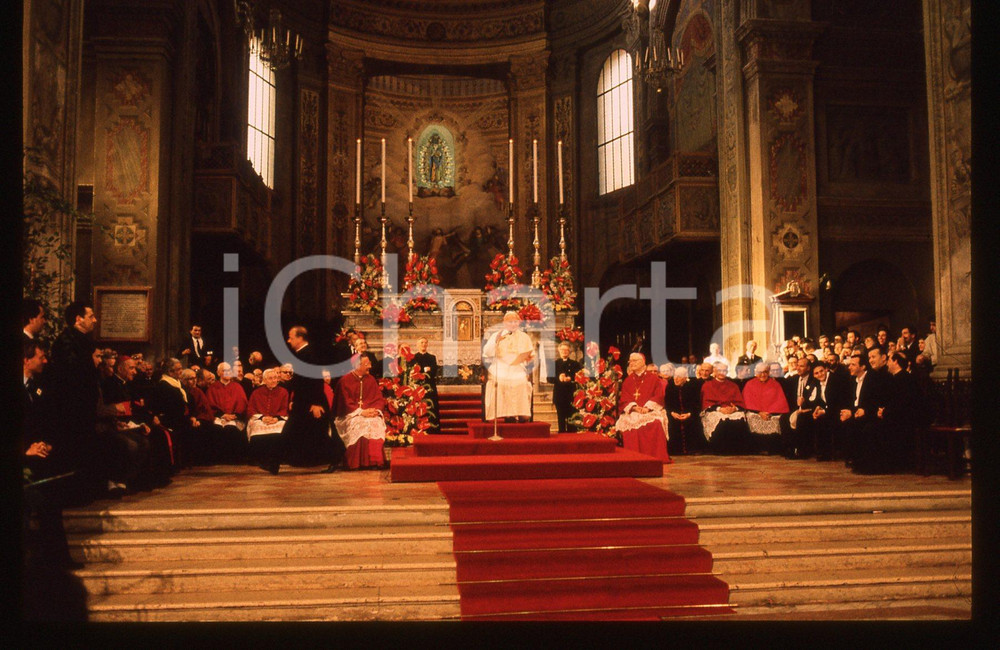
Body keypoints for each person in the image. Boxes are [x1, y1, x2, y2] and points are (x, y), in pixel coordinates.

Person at [263, 326, 339, 474]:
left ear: (300, 338)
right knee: (305, 433)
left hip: (311, 403)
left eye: (291, 337)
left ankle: (274, 463)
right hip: (303, 402)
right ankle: (274, 463)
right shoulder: (301, 354)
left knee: (301, 432)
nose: (288, 340)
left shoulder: (309, 354)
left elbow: (316, 380)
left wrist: (316, 403)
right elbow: (301, 382)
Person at [333, 354, 388, 469]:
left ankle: (375, 461)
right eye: (367, 364)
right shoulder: (344, 381)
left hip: (369, 413)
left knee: (375, 423)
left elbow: (378, 399)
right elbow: (344, 403)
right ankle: (356, 462)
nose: (370, 366)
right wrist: (361, 412)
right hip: (350, 415)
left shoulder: (371, 379)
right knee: (360, 423)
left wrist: (376, 411)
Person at [615, 353, 671, 462]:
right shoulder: (628, 380)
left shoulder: (654, 378)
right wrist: (635, 408)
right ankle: (633, 457)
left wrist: (647, 408)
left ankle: (656, 457)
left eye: (634, 361)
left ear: (642, 362)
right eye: (630, 361)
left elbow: (659, 396)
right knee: (630, 425)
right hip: (633, 411)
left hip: (650, 411)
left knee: (655, 423)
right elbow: (624, 398)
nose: (631, 363)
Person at [482, 311, 535, 422]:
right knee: (501, 383)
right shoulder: (497, 335)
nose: (513, 324)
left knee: (521, 383)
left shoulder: (524, 336)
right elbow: (487, 352)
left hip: (517, 366)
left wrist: (528, 357)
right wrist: (495, 342)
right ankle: (507, 415)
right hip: (501, 366)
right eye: (510, 322)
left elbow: (530, 354)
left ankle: (521, 414)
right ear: (505, 323)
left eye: (515, 322)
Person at [700, 362, 751, 454]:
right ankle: (721, 450)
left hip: (731, 409)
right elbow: (707, 403)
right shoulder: (707, 385)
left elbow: (739, 402)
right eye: (719, 370)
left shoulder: (733, 385)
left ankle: (737, 449)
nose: (722, 373)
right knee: (721, 420)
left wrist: (734, 409)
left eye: (724, 370)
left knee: (739, 418)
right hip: (715, 410)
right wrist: (720, 409)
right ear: (714, 371)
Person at [742, 362, 790, 454]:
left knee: (776, 420)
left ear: (768, 372)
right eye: (760, 372)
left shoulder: (775, 384)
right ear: (756, 373)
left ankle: (772, 449)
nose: (763, 374)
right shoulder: (749, 384)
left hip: (772, 413)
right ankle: (758, 448)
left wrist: (770, 412)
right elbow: (748, 401)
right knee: (752, 418)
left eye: (765, 372)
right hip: (755, 412)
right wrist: (759, 412)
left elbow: (779, 401)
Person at [247, 368, 289, 466]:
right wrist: (262, 418)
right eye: (270, 378)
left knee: (281, 427)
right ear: (264, 380)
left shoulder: (283, 392)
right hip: (261, 418)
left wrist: (276, 418)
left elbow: (285, 408)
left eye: (275, 378)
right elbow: (251, 409)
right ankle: (259, 458)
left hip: (277, 419)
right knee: (256, 426)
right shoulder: (256, 393)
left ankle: (278, 458)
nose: (274, 380)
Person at [664, 366, 704, 455]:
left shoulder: (692, 387)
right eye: (675, 376)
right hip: (674, 415)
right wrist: (672, 413)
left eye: (679, 376)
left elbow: (697, 404)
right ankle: (675, 450)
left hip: (690, 414)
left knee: (693, 424)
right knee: (672, 425)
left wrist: (689, 414)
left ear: (685, 378)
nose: (676, 379)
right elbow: (667, 404)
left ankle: (693, 449)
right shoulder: (670, 387)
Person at [411, 337, 441, 433]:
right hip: (418, 386)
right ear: (417, 345)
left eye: (425, 342)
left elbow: (434, 370)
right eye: (421, 342)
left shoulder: (432, 357)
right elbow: (413, 371)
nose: (423, 344)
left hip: (430, 385)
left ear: (427, 344)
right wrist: (425, 369)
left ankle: (433, 428)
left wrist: (426, 370)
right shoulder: (413, 358)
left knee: (431, 406)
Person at [551, 341, 582, 433]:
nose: (564, 352)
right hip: (559, 395)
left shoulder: (575, 364)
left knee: (571, 419)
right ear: (559, 351)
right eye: (562, 350)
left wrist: (570, 378)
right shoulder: (554, 364)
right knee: (561, 418)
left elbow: (580, 377)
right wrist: (558, 378)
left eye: (566, 350)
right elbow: (549, 378)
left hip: (571, 395)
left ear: (569, 352)